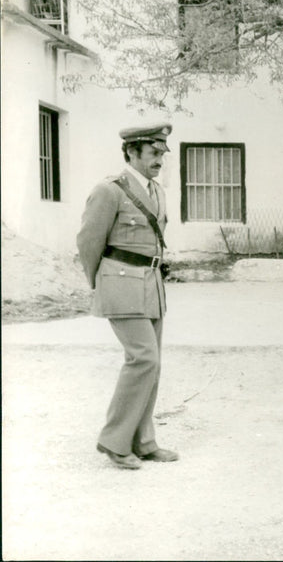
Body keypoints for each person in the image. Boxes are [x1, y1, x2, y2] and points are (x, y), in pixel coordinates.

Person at [77, 122, 178, 470]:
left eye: (162, 154)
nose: (159, 160)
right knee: (143, 359)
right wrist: (101, 283)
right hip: (120, 283)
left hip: (151, 285)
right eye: (153, 153)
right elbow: (89, 242)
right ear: (132, 152)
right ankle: (114, 441)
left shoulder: (157, 191)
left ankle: (144, 441)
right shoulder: (110, 190)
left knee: (153, 363)